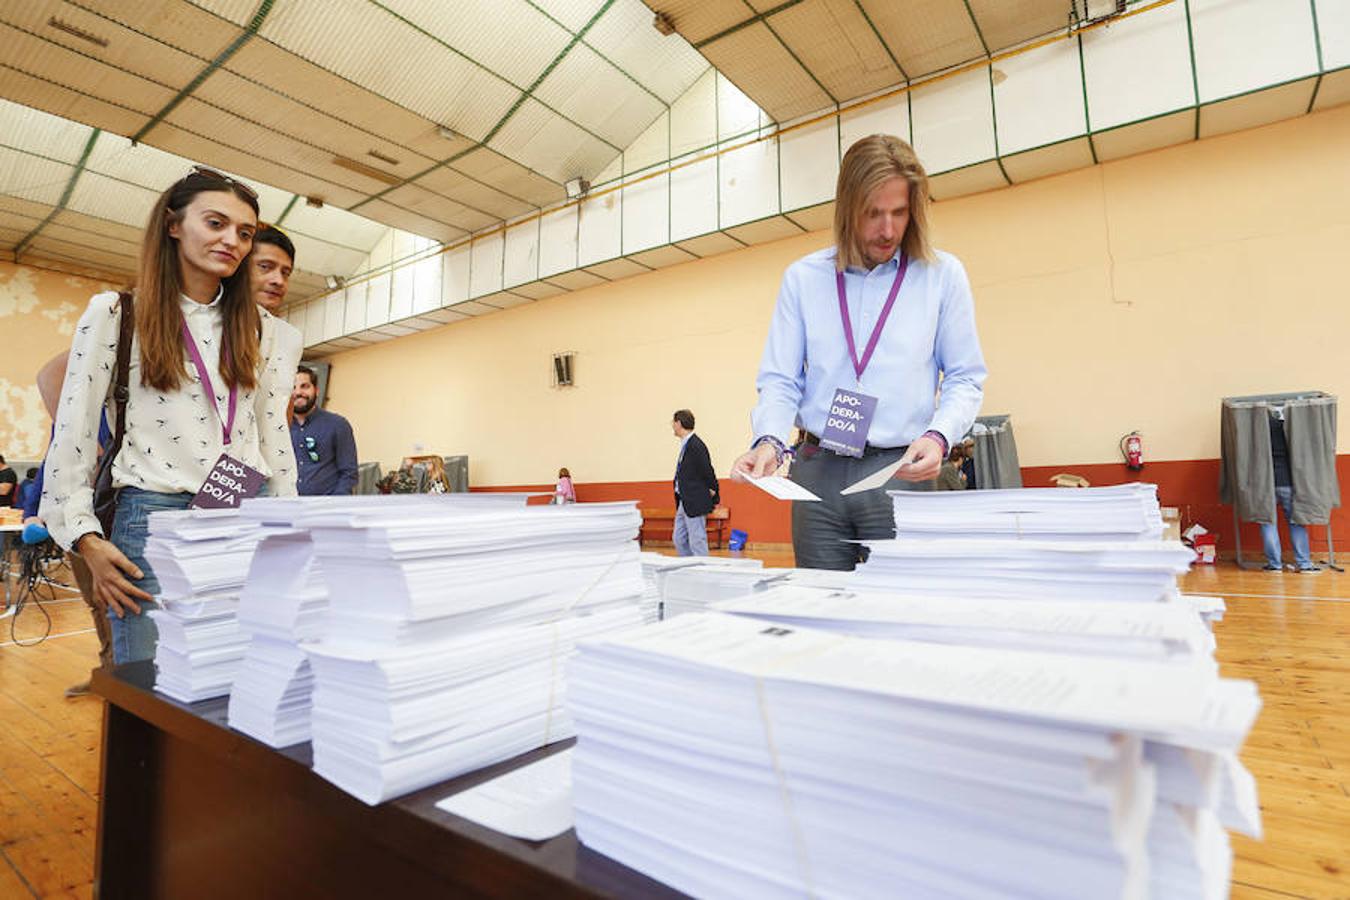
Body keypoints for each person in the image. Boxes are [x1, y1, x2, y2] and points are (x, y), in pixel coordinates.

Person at [40, 167, 301, 665]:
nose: (232, 241)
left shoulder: (269, 333)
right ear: (174, 224)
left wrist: (288, 525)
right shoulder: (117, 313)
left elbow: (274, 436)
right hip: (151, 516)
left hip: (242, 512)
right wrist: (84, 537)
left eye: (244, 233)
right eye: (216, 223)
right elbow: (71, 429)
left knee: (230, 672)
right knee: (151, 679)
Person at [732, 134, 987, 570]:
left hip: (899, 467)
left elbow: (965, 375)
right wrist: (769, 439)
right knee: (821, 608)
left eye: (899, 213)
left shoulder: (941, 277)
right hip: (817, 469)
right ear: (847, 208)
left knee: (901, 614)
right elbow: (780, 380)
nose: (888, 230)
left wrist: (939, 435)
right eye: (873, 214)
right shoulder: (803, 279)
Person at [1262, 409, 1321, 573]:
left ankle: (1274, 565)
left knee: (1268, 523)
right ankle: (1304, 564)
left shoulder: (1256, 431)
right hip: (1288, 481)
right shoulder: (1289, 427)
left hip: (1265, 484)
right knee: (1296, 523)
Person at [290, 366, 358, 495]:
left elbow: (349, 473)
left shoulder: (338, 425)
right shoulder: (278, 430)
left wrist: (333, 505)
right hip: (288, 508)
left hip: (326, 509)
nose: (298, 392)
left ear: (316, 390)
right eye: (293, 387)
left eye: (304, 386)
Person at [672, 409, 719, 557]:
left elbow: (707, 469)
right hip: (684, 500)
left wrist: (713, 489)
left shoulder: (696, 445)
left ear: (679, 423)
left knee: (697, 540)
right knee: (679, 538)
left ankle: (703, 570)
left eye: (673, 423)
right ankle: (689, 567)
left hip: (695, 499)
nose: (672, 426)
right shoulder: (686, 445)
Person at [251, 225, 295, 315]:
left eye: (285, 273)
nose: (279, 281)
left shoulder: (286, 329)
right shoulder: (215, 323)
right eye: (265, 267)